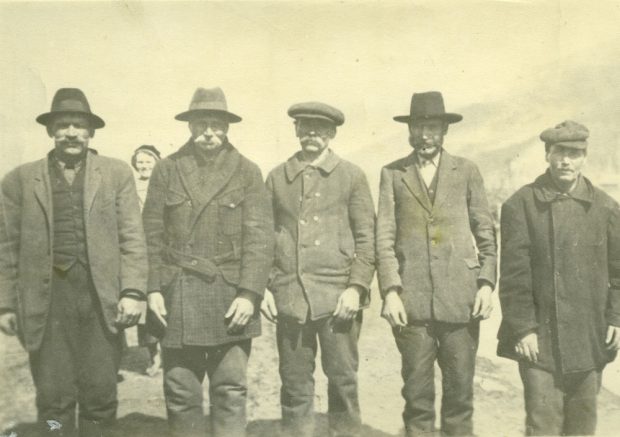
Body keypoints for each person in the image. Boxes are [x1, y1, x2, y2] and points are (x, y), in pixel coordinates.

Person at [0, 88, 147, 436]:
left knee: (100, 393)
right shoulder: (19, 180)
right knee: (53, 398)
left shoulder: (115, 174)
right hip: (47, 304)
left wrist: (133, 291)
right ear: (50, 131)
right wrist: (5, 304)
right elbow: (6, 247)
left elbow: (132, 238)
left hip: (101, 301)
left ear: (91, 132)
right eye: (63, 124)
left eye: (78, 125)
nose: (70, 132)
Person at [142, 87, 273, 437]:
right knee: (181, 392)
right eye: (202, 124)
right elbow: (150, 235)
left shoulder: (247, 171)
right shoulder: (167, 169)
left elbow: (260, 240)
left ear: (227, 127)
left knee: (229, 390)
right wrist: (152, 289)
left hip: (229, 299)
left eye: (217, 125)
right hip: (175, 298)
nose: (209, 133)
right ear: (190, 126)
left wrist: (249, 294)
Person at [376, 91, 497, 436]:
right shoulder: (392, 174)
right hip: (412, 306)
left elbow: (485, 232)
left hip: (461, 303)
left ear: (445, 131)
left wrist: (486, 284)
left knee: (460, 397)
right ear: (409, 130)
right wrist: (390, 291)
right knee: (416, 398)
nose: (425, 135)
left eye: (432, 127)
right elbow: (383, 237)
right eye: (419, 127)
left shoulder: (467, 171)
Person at [497, 120, 620, 436]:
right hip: (539, 342)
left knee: (582, 427)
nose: (566, 160)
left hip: (588, 339)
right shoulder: (520, 205)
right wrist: (523, 329)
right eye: (559, 152)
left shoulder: (607, 209)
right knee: (542, 426)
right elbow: (514, 277)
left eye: (574, 153)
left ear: (584, 157)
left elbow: (619, 273)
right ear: (547, 154)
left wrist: (616, 318)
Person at [261, 102, 375, 436]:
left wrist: (356, 289)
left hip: (339, 300)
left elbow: (366, 239)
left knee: (343, 382)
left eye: (320, 129)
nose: (312, 134)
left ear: (332, 134)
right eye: (306, 127)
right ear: (296, 130)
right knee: (295, 385)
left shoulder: (351, 176)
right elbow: (263, 238)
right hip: (290, 297)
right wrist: (267, 286)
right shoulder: (277, 177)